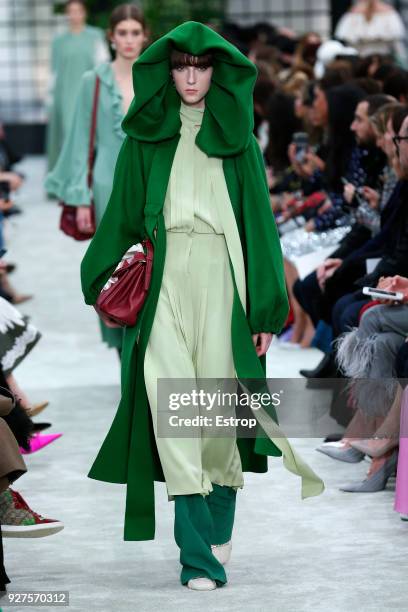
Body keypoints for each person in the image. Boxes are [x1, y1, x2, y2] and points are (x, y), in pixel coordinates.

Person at [80, 21, 324, 591]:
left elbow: (259, 226)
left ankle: (217, 523)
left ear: (217, 72)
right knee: (173, 414)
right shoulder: (145, 135)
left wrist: (266, 310)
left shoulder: (237, 136)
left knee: (213, 413)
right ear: (168, 70)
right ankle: (196, 554)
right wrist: (97, 281)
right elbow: (119, 213)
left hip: (224, 275)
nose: (191, 76)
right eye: (181, 66)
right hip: (164, 276)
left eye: (202, 66)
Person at [46, 4, 148, 356]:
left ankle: (147, 347)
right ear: (111, 36)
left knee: (151, 261)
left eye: (136, 32)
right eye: (123, 33)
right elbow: (79, 141)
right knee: (114, 265)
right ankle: (122, 348)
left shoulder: (156, 77)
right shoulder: (95, 80)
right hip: (106, 184)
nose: (129, 40)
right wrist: (79, 195)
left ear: (145, 36)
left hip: (151, 181)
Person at [46, 0, 109, 173]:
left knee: (90, 134)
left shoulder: (95, 36)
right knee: (68, 136)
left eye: (78, 11)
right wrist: (50, 100)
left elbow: (103, 65)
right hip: (64, 94)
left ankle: (89, 179)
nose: (74, 15)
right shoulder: (59, 41)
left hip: (88, 91)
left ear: (84, 13)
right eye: (71, 11)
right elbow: (54, 71)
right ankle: (70, 181)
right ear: (67, 14)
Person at [335, 0, 407, 65]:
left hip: (381, 63)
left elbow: (397, 46)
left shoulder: (389, 13)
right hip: (361, 63)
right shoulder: (353, 14)